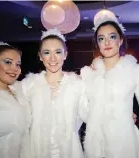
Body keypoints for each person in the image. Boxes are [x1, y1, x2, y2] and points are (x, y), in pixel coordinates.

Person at [80, 15, 139, 158]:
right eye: (101, 38)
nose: (107, 42)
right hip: (95, 145)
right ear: (97, 43)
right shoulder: (89, 73)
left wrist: (128, 114)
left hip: (124, 142)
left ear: (120, 40)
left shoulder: (135, 70)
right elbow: (84, 111)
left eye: (112, 36)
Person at [20, 28, 88, 158]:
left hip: (70, 152)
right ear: (40, 56)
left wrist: (121, 113)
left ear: (65, 54)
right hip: (35, 152)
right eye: (46, 52)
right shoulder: (28, 85)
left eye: (58, 52)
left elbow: (91, 115)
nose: (52, 58)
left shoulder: (78, 85)